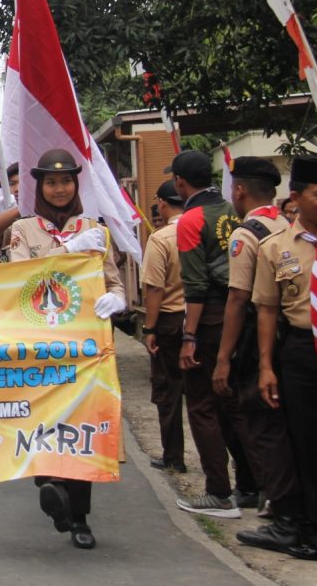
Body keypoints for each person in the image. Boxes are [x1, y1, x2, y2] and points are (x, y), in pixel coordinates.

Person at [7, 149, 127, 549]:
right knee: (44, 419)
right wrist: (69, 249)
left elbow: (112, 280)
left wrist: (119, 299)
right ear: (39, 186)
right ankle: (51, 483)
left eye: (67, 181)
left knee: (82, 427)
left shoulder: (94, 227)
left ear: (77, 184)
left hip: (85, 346)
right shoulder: (24, 230)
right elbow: (18, 278)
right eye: (51, 182)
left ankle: (80, 519)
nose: (60, 189)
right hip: (40, 345)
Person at [252, 155, 317, 561]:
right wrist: (265, 367)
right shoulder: (273, 248)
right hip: (301, 351)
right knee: (314, 446)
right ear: (297, 198)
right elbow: (267, 310)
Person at [208, 157, 304, 553]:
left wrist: (224, 357)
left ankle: (282, 512)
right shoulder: (287, 226)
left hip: (254, 336)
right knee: (290, 424)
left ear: (240, 190)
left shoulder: (246, 234)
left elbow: (237, 298)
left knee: (262, 427)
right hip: (292, 337)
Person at [168, 150, 255, 518]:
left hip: (209, 319)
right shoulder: (231, 212)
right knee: (233, 402)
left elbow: (196, 285)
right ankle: (255, 485)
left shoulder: (191, 219)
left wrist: (189, 337)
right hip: (242, 314)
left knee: (201, 404)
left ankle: (218, 492)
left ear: (179, 182)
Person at [140, 180, 187, 473]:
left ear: (162, 203)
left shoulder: (162, 238)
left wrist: (149, 329)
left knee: (168, 391)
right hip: (202, 319)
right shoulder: (205, 231)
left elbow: (154, 289)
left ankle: (174, 456)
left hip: (169, 323)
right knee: (203, 396)